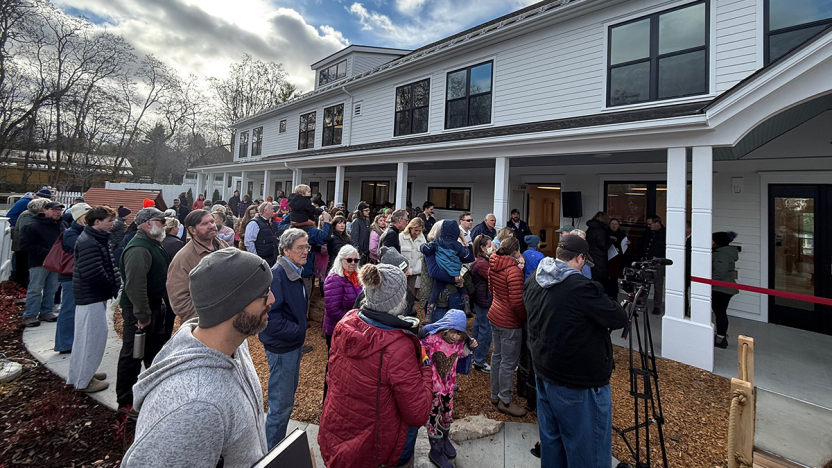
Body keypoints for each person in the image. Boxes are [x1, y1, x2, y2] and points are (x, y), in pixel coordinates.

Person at [121, 248, 272, 468]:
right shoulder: (193, 407)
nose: (273, 299)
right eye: (264, 292)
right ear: (232, 304)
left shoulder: (236, 346)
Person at [524, 235, 628, 467]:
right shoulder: (580, 287)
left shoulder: (535, 277)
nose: (584, 267)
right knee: (587, 449)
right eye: (584, 261)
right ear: (580, 258)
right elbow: (619, 317)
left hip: (543, 371)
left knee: (552, 440)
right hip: (577, 383)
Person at [318, 263, 433, 468]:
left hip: (339, 435)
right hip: (378, 450)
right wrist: (425, 366)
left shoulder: (346, 323)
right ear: (400, 300)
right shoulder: (397, 347)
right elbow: (418, 414)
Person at [116, 207, 170, 416]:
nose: (165, 224)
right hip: (139, 309)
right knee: (132, 354)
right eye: (161, 221)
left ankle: (149, 392)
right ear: (148, 223)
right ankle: (125, 401)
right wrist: (142, 315)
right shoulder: (139, 249)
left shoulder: (152, 244)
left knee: (153, 352)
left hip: (153, 305)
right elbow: (135, 285)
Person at [259, 228, 311, 448]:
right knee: (280, 407)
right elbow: (269, 318)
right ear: (286, 250)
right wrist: (297, 331)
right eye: (300, 247)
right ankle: (269, 454)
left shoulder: (293, 271)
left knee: (285, 403)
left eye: (307, 247)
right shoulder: (277, 275)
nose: (306, 251)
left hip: (290, 346)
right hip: (282, 349)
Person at [67, 206, 121, 393]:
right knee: (91, 338)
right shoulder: (90, 241)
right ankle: (84, 380)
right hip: (91, 296)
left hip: (92, 296)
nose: (113, 224)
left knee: (87, 337)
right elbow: (94, 273)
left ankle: (81, 374)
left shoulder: (94, 238)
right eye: (109, 221)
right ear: (97, 222)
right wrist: (109, 286)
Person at [420, 309, 478, 468]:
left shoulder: (458, 345)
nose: (455, 336)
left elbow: (463, 353)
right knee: (432, 416)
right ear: (445, 327)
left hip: (448, 386)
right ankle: (435, 450)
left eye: (460, 334)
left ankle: (444, 439)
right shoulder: (433, 340)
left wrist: (471, 347)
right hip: (433, 388)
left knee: (447, 413)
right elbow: (419, 347)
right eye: (453, 332)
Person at [487, 236, 527, 417]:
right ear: (515, 251)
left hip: (495, 313)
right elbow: (517, 302)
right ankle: (505, 400)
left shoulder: (494, 263)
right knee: (508, 362)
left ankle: (494, 395)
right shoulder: (514, 271)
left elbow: (491, 289)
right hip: (509, 321)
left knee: (497, 356)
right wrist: (524, 318)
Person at [166, 209, 228, 325]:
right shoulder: (183, 259)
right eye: (204, 224)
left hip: (228, 319)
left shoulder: (222, 245)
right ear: (192, 230)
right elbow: (179, 300)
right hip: (205, 325)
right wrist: (205, 320)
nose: (211, 226)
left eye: (212, 222)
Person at [321, 245, 362, 402]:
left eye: (356, 260)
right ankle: (327, 401)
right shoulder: (334, 279)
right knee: (333, 366)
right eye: (349, 260)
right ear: (341, 259)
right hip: (335, 330)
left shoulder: (355, 278)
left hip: (351, 328)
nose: (353, 263)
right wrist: (356, 318)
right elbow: (332, 310)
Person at [19, 201, 65, 327]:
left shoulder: (62, 226)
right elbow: (25, 245)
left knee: (52, 289)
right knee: (35, 289)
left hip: (56, 263)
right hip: (39, 262)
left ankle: (47, 311)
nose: (57, 212)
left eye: (59, 210)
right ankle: (30, 315)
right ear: (45, 210)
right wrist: (48, 252)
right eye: (54, 210)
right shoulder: (33, 226)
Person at [420, 219, 474, 322]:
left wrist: (463, 238)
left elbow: (468, 260)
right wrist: (456, 278)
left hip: (453, 297)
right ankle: (467, 306)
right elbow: (434, 273)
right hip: (442, 301)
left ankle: (428, 315)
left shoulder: (436, 245)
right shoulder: (454, 247)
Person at [54, 203, 91, 352]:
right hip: (70, 276)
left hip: (81, 275)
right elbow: (83, 248)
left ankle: (74, 341)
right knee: (69, 309)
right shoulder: (70, 233)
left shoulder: (84, 232)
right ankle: (64, 343)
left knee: (78, 311)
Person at [11, 198, 50, 287]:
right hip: (21, 249)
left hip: (28, 248)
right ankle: (21, 290)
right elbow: (26, 232)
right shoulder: (27, 215)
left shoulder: (33, 215)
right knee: (22, 270)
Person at [469, 234, 493, 373]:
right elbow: (493, 277)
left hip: (479, 299)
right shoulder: (483, 263)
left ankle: (474, 353)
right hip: (484, 299)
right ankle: (479, 360)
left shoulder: (478, 260)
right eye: (490, 246)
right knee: (485, 329)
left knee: (478, 325)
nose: (493, 249)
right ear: (483, 248)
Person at [712, 231, 739, 349]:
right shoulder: (723, 252)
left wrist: (705, 281)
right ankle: (720, 336)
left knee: (720, 312)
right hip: (722, 288)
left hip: (722, 289)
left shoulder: (722, 254)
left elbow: (719, 273)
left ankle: (720, 338)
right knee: (720, 312)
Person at [586, 211, 617, 299]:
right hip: (600, 258)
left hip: (591, 255)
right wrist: (610, 241)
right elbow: (603, 246)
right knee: (602, 280)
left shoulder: (590, 228)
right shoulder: (600, 230)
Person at [640, 215, 667, 315]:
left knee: (658, 285)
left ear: (657, 223)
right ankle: (642, 302)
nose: (649, 226)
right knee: (644, 284)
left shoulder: (664, 233)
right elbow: (642, 244)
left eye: (650, 224)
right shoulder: (647, 232)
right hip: (647, 261)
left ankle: (657, 306)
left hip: (658, 263)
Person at [400, 217, 426, 295]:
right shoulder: (401, 237)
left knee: (409, 294)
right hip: (401, 271)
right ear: (410, 227)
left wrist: (412, 271)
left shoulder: (422, 239)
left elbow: (422, 257)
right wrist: (403, 269)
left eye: (420, 231)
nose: (418, 233)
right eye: (416, 230)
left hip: (413, 272)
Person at [607, 218, 628, 287]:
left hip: (618, 260)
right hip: (607, 259)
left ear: (618, 226)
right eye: (612, 224)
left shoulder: (622, 235)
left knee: (614, 278)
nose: (614, 226)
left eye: (616, 224)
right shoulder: (606, 234)